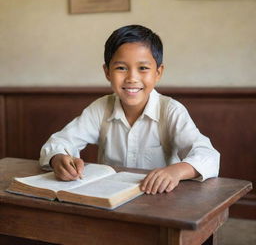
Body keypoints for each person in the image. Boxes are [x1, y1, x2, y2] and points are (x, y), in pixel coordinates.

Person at [39, 24, 220, 195]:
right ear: (107, 72)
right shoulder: (100, 109)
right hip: (110, 199)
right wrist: (58, 158)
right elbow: (59, 142)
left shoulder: (170, 111)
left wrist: (176, 171)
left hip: (161, 201)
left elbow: (208, 155)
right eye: (121, 68)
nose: (132, 78)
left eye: (143, 68)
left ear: (158, 72)